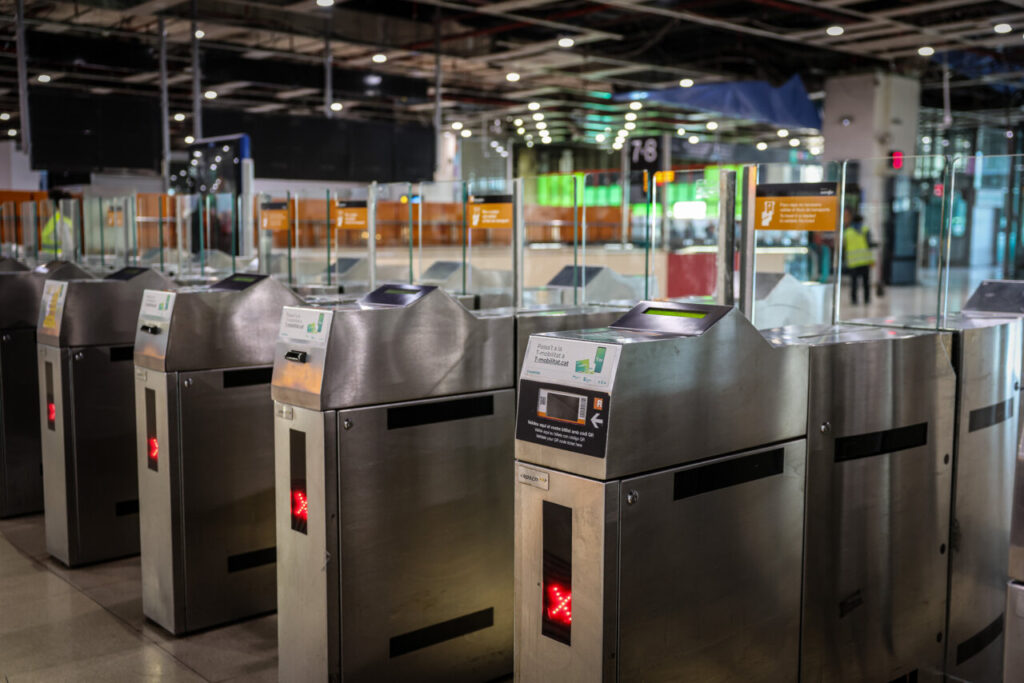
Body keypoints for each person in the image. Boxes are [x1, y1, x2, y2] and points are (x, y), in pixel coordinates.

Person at [843, 211, 875, 305]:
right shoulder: (865, 230)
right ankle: (866, 299)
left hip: (853, 261)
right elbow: (869, 244)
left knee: (854, 283)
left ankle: (854, 300)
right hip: (865, 261)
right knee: (866, 282)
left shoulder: (847, 232)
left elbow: (844, 246)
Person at [39, 190, 76, 259]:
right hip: (52, 260)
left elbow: (69, 249)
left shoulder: (60, 222)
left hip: (59, 260)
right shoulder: (54, 219)